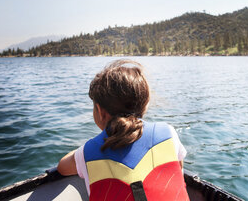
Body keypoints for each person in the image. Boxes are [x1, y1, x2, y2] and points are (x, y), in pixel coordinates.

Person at [57, 59, 189, 201]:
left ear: (100, 112)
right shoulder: (168, 133)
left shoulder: (88, 152)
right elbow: (178, 174)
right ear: (145, 104)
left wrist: (84, 149)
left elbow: (62, 167)